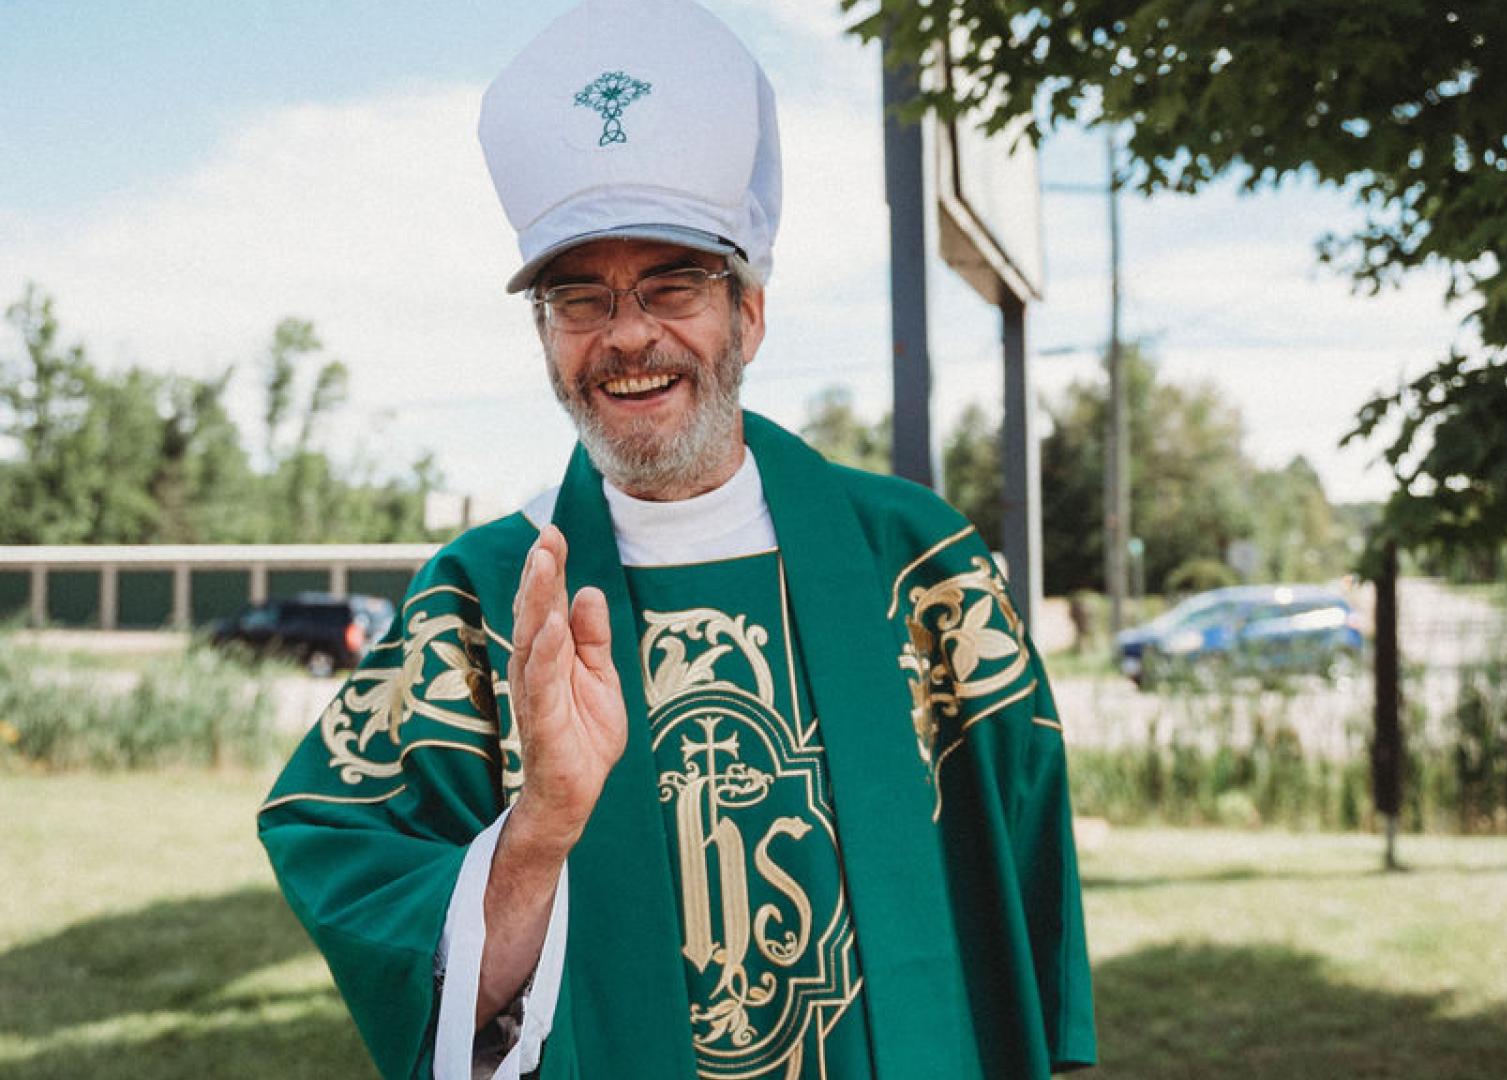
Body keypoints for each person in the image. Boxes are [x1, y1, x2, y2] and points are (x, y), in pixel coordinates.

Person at [256, 1, 1098, 1077]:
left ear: (748, 313)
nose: (628, 334)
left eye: (673, 284)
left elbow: (1029, 899)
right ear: (547, 338)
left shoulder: (920, 567)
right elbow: (355, 870)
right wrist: (543, 825)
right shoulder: (477, 602)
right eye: (579, 299)